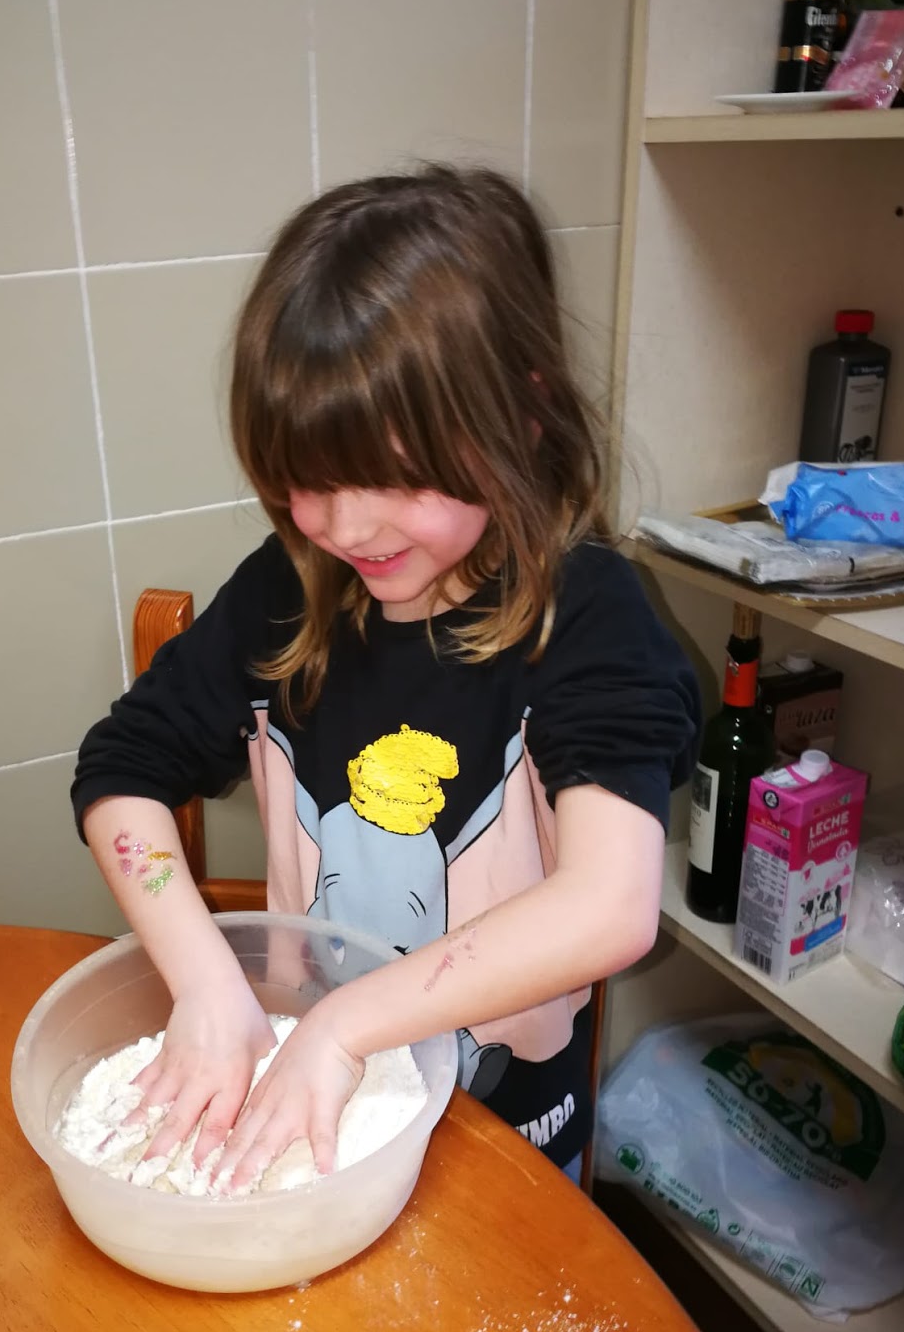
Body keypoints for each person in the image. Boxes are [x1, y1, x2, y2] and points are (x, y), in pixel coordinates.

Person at [71, 164, 701, 1191]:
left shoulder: (590, 619)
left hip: (506, 1148)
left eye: (397, 477)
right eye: (308, 481)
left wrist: (344, 1025)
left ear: (522, 417)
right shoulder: (286, 591)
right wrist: (207, 983)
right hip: (311, 1122)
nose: (347, 525)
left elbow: (609, 904)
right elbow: (120, 770)